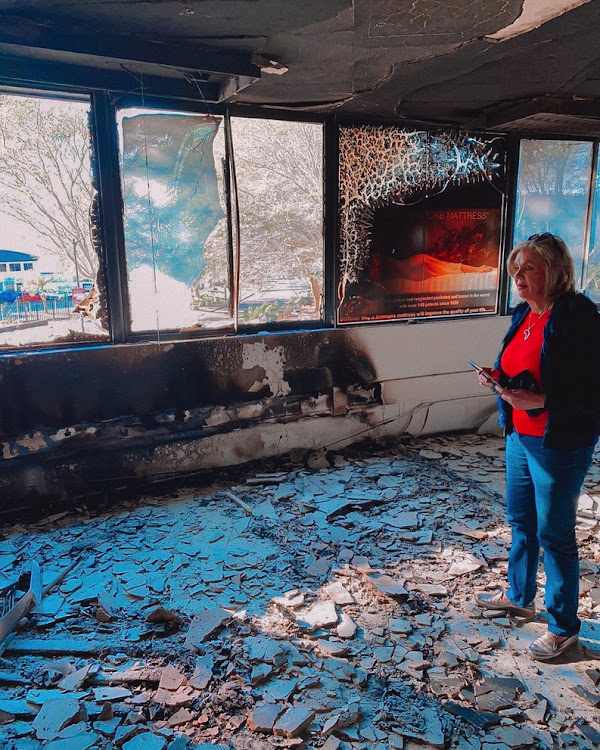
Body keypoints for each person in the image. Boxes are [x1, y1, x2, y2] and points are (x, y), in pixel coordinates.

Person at [475, 232, 600, 661]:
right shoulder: (525, 314)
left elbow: (592, 390)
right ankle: (519, 595)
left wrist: (545, 401)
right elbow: (524, 367)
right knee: (521, 521)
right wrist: (499, 378)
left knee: (555, 533)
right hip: (521, 436)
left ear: (555, 270)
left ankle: (564, 628)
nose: (519, 276)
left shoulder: (577, 317)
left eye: (529, 267)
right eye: (516, 268)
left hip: (559, 442)